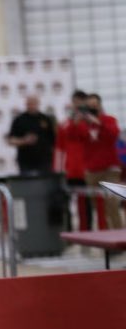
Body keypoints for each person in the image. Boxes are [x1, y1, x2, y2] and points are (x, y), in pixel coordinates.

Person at [70, 93, 122, 229]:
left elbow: (113, 135)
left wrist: (98, 122)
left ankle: (119, 238)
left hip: (110, 169)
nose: (93, 109)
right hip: (92, 171)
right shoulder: (82, 124)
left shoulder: (109, 120)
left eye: (95, 106)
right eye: (90, 107)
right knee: (98, 207)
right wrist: (76, 123)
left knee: (112, 204)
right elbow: (73, 139)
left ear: (100, 106)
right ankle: (106, 241)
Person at [56, 91, 91, 230]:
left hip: (86, 168)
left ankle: (86, 230)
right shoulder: (65, 123)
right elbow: (59, 147)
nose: (77, 105)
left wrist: (82, 122)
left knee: (86, 202)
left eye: (80, 102)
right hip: (69, 169)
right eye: (75, 102)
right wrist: (58, 170)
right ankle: (69, 232)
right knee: (66, 202)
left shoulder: (91, 122)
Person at [7, 95, 56, 175]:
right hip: (26, 161)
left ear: (38, 103)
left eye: (34, 103)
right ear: (26, 104)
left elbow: (53, 140)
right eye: (29, 103)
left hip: (44, 160)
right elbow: (10, 140)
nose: (32, 106)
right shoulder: (19, 120)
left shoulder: (46, 119)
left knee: (45, 184)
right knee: (28, 184)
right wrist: (24, 141)